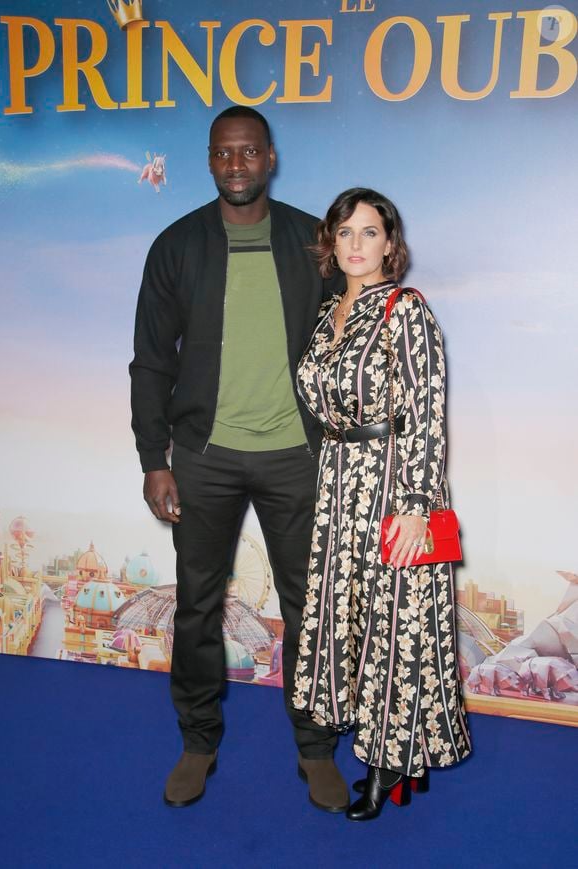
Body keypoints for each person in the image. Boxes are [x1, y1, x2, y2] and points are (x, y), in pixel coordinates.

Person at [129, 106, 348, 812]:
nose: (236, 164)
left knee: (309, 609)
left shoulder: (313, 243)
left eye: (249, 151)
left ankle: (315, 749)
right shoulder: (177, 245)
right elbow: (150, 362)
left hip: (296, 457)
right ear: (209, 159)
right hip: (203, 458)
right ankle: (197, 742)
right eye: (224, 153)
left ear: (270, 158)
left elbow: (351, 344)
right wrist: (152, 457)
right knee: (196, 607)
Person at [292, 188, 472, 822]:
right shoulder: (325, 316)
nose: (356, 245)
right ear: (330, 243)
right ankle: (387, 750)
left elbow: (428, 415)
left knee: (395, 628)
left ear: (391, 244)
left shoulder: (406, 311)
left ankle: (388, 760)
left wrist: (419, 506)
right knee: (354, 619)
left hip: (398, 485)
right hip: (340, 483)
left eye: (370, 233)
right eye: (345, 233)